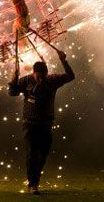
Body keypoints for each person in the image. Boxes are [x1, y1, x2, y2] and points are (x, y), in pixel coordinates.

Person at [8, 47, 75, 195]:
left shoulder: (52, 80)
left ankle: (35, 180)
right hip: (29, 124)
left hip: (45, 124)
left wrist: (64, 61)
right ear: (34, 73)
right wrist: (13, 81)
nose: (41, 80)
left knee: (43, 154)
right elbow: (12, 93)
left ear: (46, 73)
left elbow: (70, 76)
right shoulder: (26, 80)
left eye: (43, 76)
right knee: (32, 153)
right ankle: (33, 185)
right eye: (39, 77)